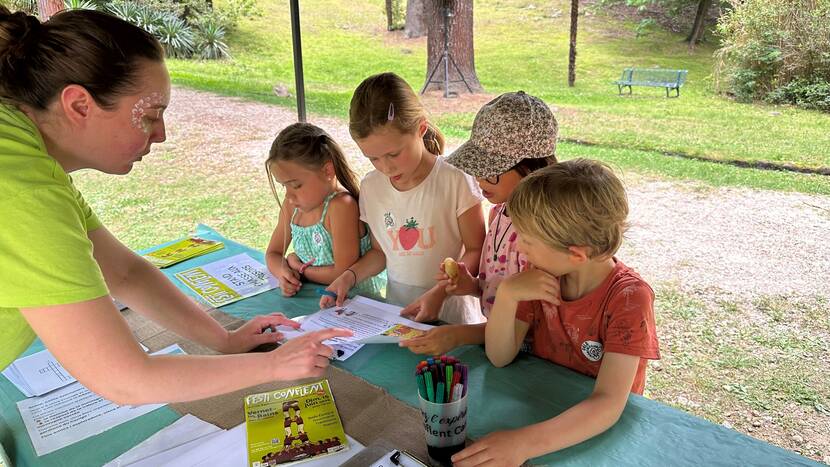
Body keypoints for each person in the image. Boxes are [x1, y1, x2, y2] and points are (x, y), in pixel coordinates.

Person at [0, 7, 350, 405]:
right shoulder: (23, 189)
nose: (162, 135)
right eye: (150, 116)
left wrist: (225, 339)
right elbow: (126, 379)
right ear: (79, 105)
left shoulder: (25, 159)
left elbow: (126, 272)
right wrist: (275, 365)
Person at [452, 159, 661, 466]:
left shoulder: (629, 298)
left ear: (576, 254)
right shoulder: (540, 273)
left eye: (528, 241)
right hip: (542, 403)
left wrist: (524, 443)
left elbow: (608, 403)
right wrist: (508, 294)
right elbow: (499, 356)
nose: (520, 249)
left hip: (593, 434)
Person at [398, 91, 557, 355]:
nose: (481, 180)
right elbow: (495, 287)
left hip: (534, 356)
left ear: (532, 167)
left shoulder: (544, 234)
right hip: (496, 346)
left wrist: (458, 335)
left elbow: (529, 322)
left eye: (491, 171)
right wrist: (469, 285)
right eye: (478, 168)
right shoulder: (497, 214)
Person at [320, 72, 486, 325]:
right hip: (399, 312)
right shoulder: (372, 186)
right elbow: (380, 252)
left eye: (394, 154)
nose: (385, 167)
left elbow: (475, 249)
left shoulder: (456, 179)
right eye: (373, 158)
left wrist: (439, 293)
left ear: (421, 129)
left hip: (454, 315)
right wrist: (348, 277)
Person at [264, 123, 383, 299]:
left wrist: (300, 269)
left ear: (328, 171)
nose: (289, 195)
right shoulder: (292, 206)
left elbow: (341, 273)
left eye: (296, 185)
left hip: (354, 304)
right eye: (284, 186)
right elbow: (273, 253)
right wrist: (285, 274)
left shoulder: (342, 206)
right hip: (316, 301)